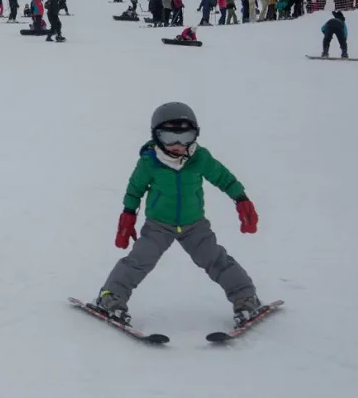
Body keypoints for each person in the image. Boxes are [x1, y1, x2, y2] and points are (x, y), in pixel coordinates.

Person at [93, 102, 262, 327]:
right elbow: (135, 189)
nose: (177, 145)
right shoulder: (150, 162)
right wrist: (128, 216)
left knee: (216, 260)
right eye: (169, 137)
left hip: (195, 225)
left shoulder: (200, 158)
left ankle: (245, 297)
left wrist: (241, 199)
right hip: (158, 226)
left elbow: (224, 178)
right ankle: (110, 296)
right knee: (138, 261)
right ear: (156, 137)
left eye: (184, 137)